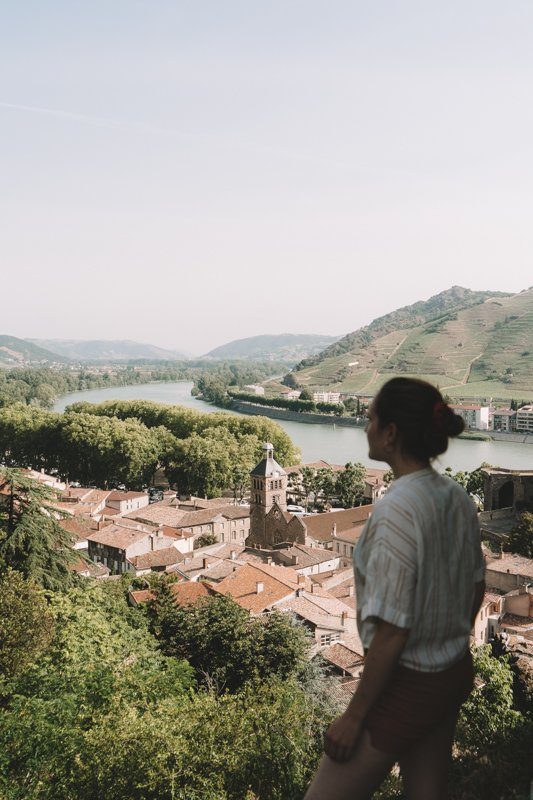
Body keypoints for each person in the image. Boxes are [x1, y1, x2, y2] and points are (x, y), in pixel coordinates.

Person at [304, 377, 485, 800]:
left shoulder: (395, 512)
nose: (364, 427)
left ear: (390, 434)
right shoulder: (457, 496)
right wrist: (447, 642)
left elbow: (392, 631)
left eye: (370, 419)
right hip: (452, 671)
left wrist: (353, 716)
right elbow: (476, 588)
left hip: (407, 684)